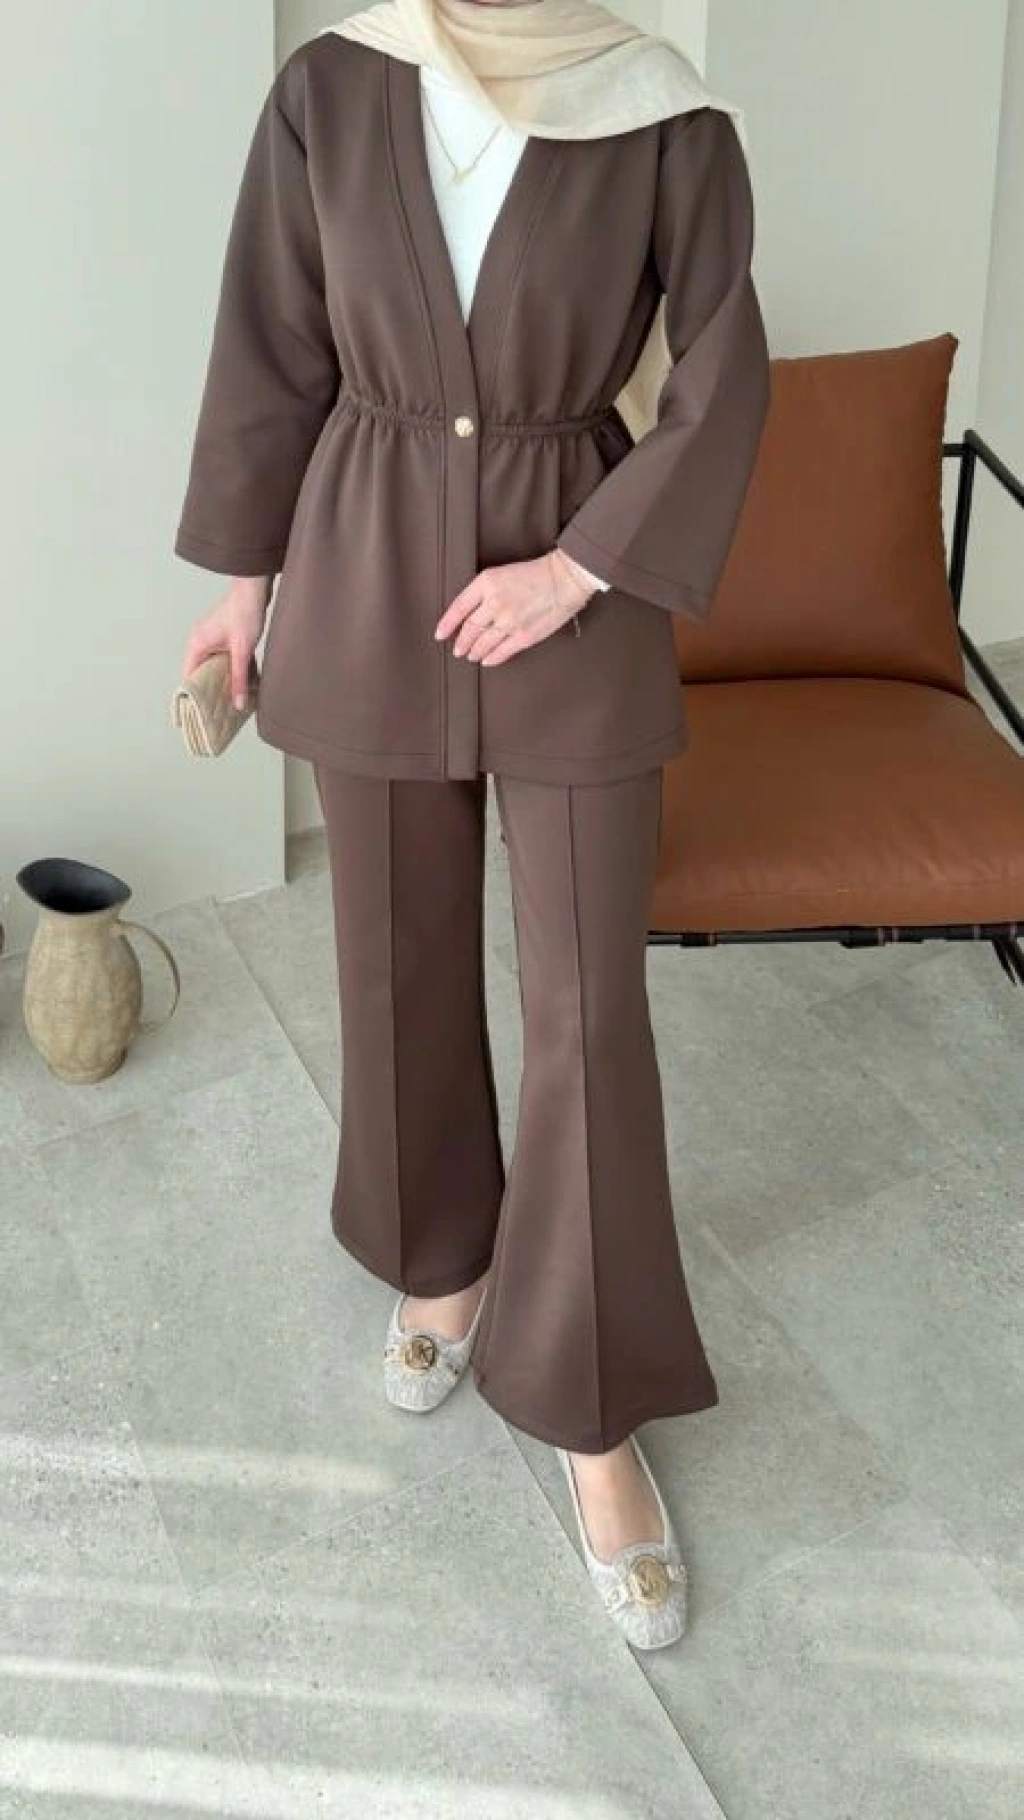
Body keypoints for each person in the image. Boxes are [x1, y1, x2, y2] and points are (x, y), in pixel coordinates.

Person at [174, 0, 770, 1652]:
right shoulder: (332, 88)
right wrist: (245, 588)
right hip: (364, 565)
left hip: (573, 587)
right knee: (394, 955)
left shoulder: (663, 116)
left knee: (589, 1004)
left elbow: (724, 375)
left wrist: (577, 568)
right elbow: (274, 343)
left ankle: (590, 1405)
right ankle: (442, 1255)